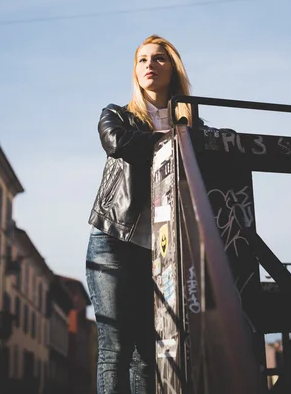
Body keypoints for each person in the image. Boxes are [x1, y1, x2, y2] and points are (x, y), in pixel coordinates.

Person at [86, 34, 192, 394]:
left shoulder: (191, 125)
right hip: (113, 240)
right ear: (135, 69)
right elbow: (117, 143)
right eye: (143, 59)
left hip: (161, 250)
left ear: (173, 68)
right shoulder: (116, 115)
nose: (150, 65)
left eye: (159, 58)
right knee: (115, 348)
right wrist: (171, 142)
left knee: (148, 353)